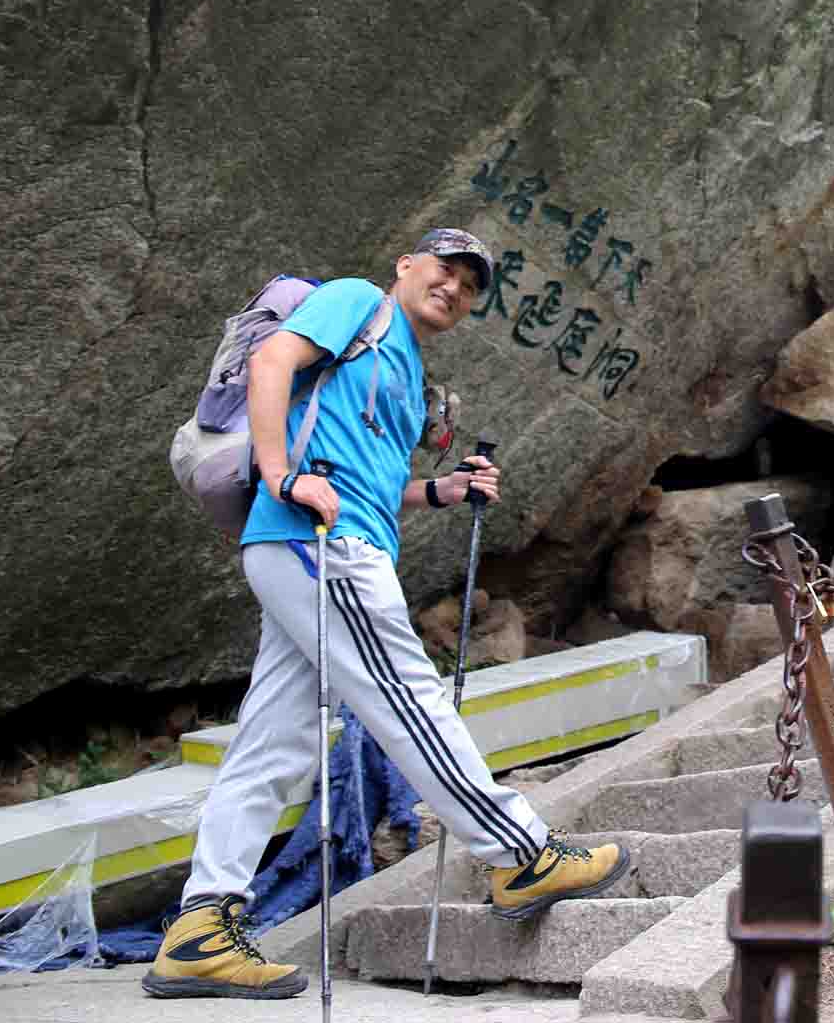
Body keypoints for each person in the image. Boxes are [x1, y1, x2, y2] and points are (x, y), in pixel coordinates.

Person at [145, 230, 629, 1002]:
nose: (455, 287)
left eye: (472, 285)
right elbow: (273, 364)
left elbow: (379, 479)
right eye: (446, 268)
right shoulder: (356, 303)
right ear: (406, 265)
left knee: (276, 740)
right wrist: (281, 475)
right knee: (408, 693)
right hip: (318, 542)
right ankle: (521, 854)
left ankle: (201, 926)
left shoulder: (404, 368)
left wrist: (443, 490)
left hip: (325, 544)